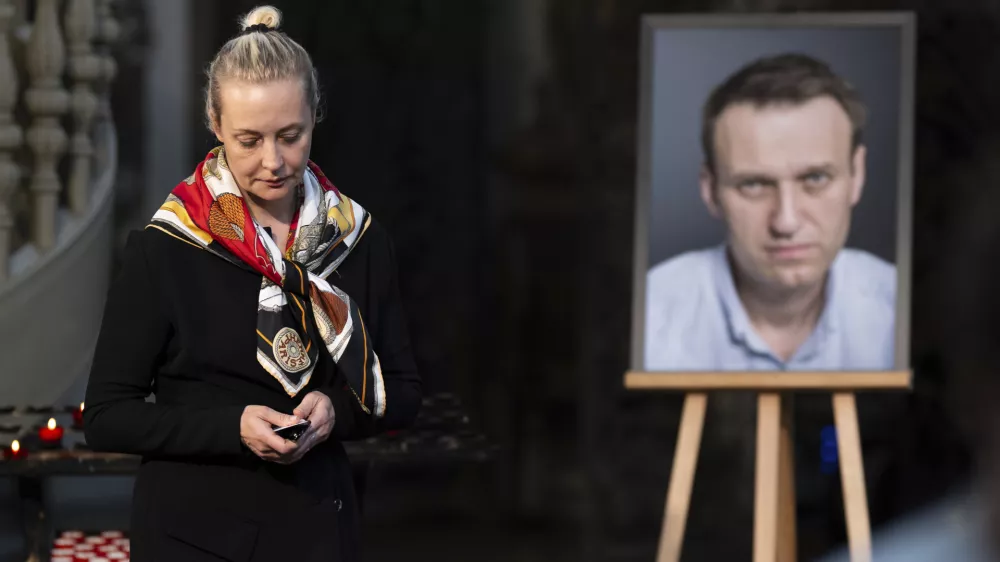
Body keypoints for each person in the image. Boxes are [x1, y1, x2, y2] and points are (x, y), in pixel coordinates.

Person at [83, 6, 421, 561]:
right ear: (215, 126)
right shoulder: (168, 246)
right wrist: (232, 426)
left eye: (291, 135)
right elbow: (106, 415)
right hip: (193, 538)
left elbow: (402, 391)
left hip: (317, 531)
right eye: (248, 140)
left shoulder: (357, 239)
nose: (273, 162)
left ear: (316, 114)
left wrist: (337, 410)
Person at [644, 53, 897, 371]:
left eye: (815, 179)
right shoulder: (646, 317)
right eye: (753, 185)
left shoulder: (901, 310)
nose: (786, 222)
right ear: (710, 190)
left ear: (857, 175)